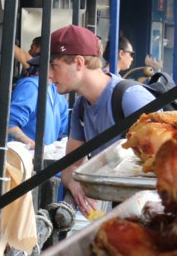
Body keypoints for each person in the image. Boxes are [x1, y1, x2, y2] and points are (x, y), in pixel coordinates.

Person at [49, 25, 154, 216]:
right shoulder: (81, 107)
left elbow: (166, 163)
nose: (49, 74)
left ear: (79, 63)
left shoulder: (131, 98)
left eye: (55, 65)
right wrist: (74, 183)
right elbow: (70, 166)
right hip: (124, 212)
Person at [8, 54, 69, 149]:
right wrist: (35, 148)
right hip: (24, 156)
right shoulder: (30, 86)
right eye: (54, 66)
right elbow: (10, 125)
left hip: (46, 156)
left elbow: (63, 131)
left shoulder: (58, 92)